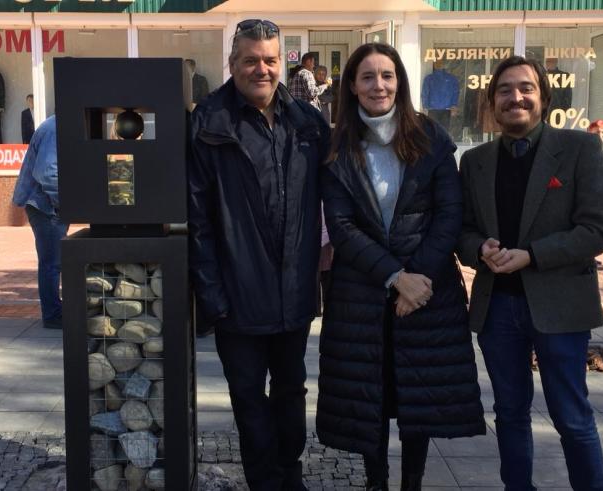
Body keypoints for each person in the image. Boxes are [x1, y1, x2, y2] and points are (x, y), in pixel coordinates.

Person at [317, 43, 485, 491]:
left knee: (419, 392)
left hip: (429, 290)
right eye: (368, 76)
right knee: (370, 390)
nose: (379, 85)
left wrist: (418, 280)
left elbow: (449, 215)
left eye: (387, 75)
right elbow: (342, 225)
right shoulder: (337, 146)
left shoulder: (431, 138)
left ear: (400, 82)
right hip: (362, 290)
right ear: (352, 85)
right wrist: (395, 277)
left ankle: (412, 482)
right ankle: (376, 481)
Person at [457, 56, 603, 490]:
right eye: (505, 90)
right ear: (492, 102)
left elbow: (601, 228)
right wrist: (478, 247)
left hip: (561, 308)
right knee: (509, 414)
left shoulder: (580, 149)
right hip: (498, 309)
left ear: (543, 97)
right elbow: (463, 228)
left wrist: (533, 254)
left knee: (572, 416)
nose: (515, 97)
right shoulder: (474, 161)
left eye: (525, 88)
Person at [187, 19, 330, 490]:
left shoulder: (307, 122)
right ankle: (265, 484)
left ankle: (290, 477)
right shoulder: (208, 122)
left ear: (282, 63)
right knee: (248, 400)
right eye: (251, 60)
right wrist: (213, 297)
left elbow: (332, 202)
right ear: (233, 64)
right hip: (238, 296)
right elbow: (198, 220)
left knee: (291, 395)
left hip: (294, 295)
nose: (262, 69)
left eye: (270, 60)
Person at [12, 115, 68, 330]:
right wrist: (64, 203)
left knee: (54, 261)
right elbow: (48, 172)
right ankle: (52, 315)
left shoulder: (56, 125)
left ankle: (54, 311)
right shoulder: (55, 129)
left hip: (47, 203)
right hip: (45, 205)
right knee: (51, 262)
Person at [420, 59, 459, 134]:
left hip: (433, 109)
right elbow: (455, 93)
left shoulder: (429, 78)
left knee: (433, 132)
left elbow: (425, 93)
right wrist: (454, 105)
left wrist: (425, 107)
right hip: (445, 109)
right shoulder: (451, 78)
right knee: (444, 132)